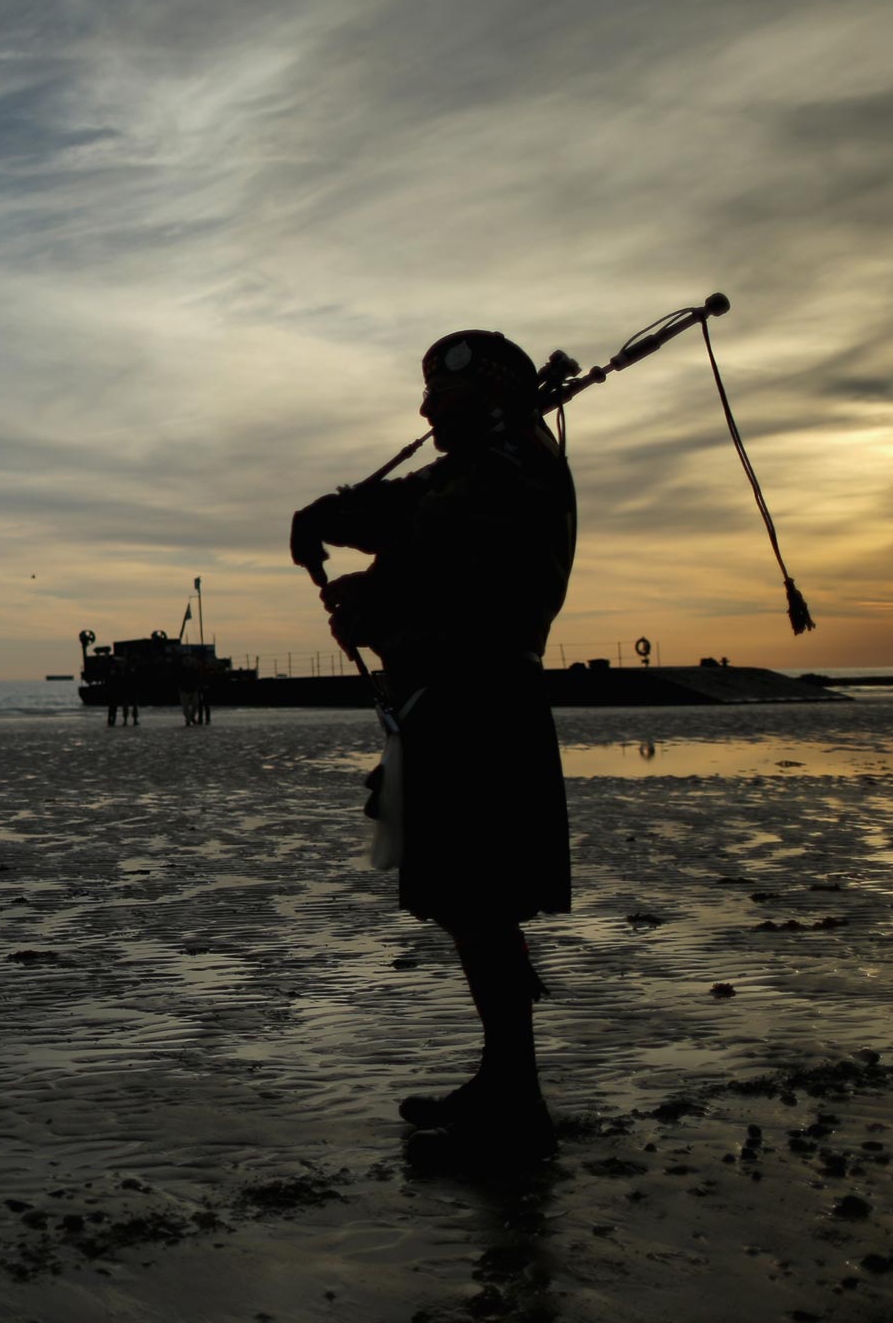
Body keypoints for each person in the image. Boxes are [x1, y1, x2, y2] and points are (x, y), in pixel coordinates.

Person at [289, 329, 577, 1171]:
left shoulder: (513, 468)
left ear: (489, 394)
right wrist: (330, 520)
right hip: (454, 705)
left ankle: (517, 1106)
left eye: (440, 397)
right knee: (468, 902)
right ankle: (504, 1082)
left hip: (482, 704)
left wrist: (370, 597)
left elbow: (425, 532)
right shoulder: (481, 464)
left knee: (482, 901)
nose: (423, 411)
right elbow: (407, 516)